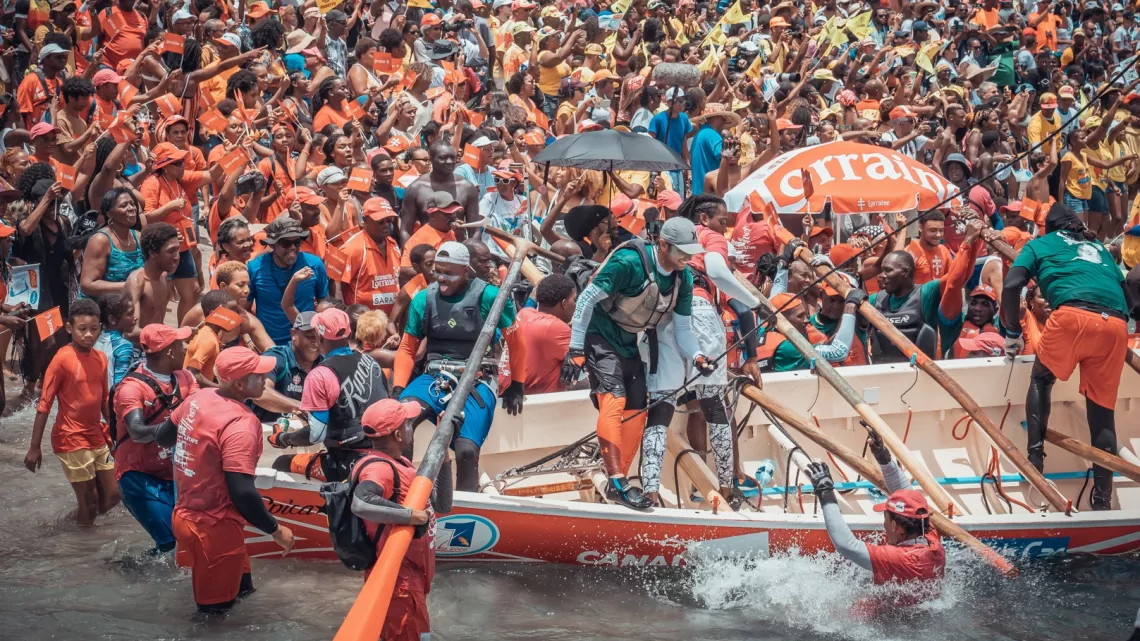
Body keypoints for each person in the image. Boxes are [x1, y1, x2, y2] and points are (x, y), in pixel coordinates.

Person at [561, 218, 707, 509]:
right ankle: (616, 481)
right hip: (597, 335)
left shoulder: (684, 278)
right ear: (663, 244)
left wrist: (699, 356)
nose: (688, 258)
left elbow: (683, 331)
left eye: (692, 251)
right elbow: (587, 299)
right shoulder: (629, 262)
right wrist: (575, 347)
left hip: (627, 341)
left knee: (638, 406)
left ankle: (620, 480)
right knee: (614, 399)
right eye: (682, 251)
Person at [1002, 204, 1132, 510]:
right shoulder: (1099, 248)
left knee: (1042, 378)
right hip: (1115, 326)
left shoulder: (1039, 244)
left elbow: (1011, 286)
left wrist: (1011, 331)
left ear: (1050, 228)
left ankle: (1035, 461)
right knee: (1102, 413)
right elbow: (1128, 298)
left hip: (1072, 316)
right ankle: (1102, 499)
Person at [158, 347, 295, 614]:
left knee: (244, 594)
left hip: (186, 515)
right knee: (213, 619)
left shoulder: (198, 398)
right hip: (213, 527)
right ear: (239, 383)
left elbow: (163, 437)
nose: (266, 376)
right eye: (258, 374)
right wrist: (276, 530)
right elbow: (242, 492)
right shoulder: (242, 423)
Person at [392, 241, 526, 491]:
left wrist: (517, 384)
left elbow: (517, 343)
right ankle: (401, 490)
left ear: (466, 271)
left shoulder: (490, 296)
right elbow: (408, 349)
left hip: (478, 377)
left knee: (466, 451)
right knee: (400, 421)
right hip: (434, 377)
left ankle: (467, 508)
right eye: (438, 270)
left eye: (449, 272)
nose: (441, 277)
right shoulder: (423, 299)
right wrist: (399, 387)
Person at [805, 427, 945, 609]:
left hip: (895, 618)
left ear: (895, 526)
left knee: (860, 609)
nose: (883, 523)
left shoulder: (898, 558)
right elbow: (906, 493)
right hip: (918, 605)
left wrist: (824, 491)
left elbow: (846, 546)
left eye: (885, 517)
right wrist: (883, 457)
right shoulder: (929, 535)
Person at [351, 399, 453, 641]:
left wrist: (443, 451)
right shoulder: (379, 469)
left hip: (414, 576)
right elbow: (361, 502)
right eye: (409, 423)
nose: (412, 426)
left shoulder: (401, 463)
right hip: (400, 581)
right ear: (398, 434)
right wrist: (411, 516)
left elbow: (441, 505)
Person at [24, 298, 119, 526]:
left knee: (114, 494)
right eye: (82, 329)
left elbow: (104, 399)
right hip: (70, 437)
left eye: (94, 329)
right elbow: (44, 405)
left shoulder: (101, 358)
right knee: (90, 501)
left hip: (96, 435)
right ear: (69, 328)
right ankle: (84, 549)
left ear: (100, 328)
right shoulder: (61, 360)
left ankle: (74, 524)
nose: (89, 335)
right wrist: (35, 447)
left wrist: (116, 432)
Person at [267, 308, 388, 483]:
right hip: (381, 456)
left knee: (281, 463)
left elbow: (316, 436)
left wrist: (283, 439)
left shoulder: (320, 375)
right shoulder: (371, 363)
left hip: (346, 464)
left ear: (319, 336)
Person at [112, 324, 198, 554]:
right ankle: (129, 572)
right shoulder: (131, 389)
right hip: (138, 478)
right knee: (171, 545)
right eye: (182, 344)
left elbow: (203, 412)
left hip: (176, 475)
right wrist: (178, 425)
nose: (186, 347)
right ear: (170, 351)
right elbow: (137, 432)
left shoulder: (186, 378)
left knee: (190, 538)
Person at [868, 221, 984, 362]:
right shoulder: (875, 300)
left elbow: (955, 280)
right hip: (885, 376)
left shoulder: (925, 293)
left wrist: (970, 241)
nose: (881, 275)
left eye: (888, 271)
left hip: (923, 375)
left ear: (905, 272)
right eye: (882, 270)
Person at [248, 217, 330, 345]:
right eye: (286, 243)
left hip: (305, 344)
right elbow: (245, 310)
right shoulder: (254, 268)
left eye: (297, 242)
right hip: (269, 345)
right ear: (272, 245)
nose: (292, 248)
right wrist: (250, 339)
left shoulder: (314, 264)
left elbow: (324, 304)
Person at [508, 273, 575, 394]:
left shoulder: (523, 314)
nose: (575, 305)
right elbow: (582, 369)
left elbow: (531, 303)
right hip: (536, 403)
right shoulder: (557, 328)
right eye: (574, 300)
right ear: (564, 303)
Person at [254, 311, 319, 424]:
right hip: (268, 431)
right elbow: (259, 394)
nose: (315, 342)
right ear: (293, 334)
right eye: (309, 336)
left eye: (320, 337)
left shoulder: (325, 363)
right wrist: (299, 407)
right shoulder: (276, 357)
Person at [340, 197, 402, 314]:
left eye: (389, 221)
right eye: (381, 222)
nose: (386, 225)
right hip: (362, 323)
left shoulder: (393, 244)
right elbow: (337, 285)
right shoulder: (352, 248)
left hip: (390, 322)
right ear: (365, 220)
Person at [124, 222, 181, 328]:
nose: (176, 257)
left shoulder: (163, 277)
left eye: (178, 249)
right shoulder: (137, 282)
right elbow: (131, 331)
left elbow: (157, 322)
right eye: (171, 251)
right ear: (152, 253)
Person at [184, 290, 244, 388]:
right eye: (232, 311)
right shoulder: (209, 340)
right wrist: (222, 389)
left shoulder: (207, 333)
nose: (236, 316)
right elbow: (192, 373)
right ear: (214, 314)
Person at [906, 211, 954, 285]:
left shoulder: (944, 250)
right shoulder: (911, 251)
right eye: (933, 230)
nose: (938, 235)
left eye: (941, 230)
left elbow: (951, 278)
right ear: (921, 228)